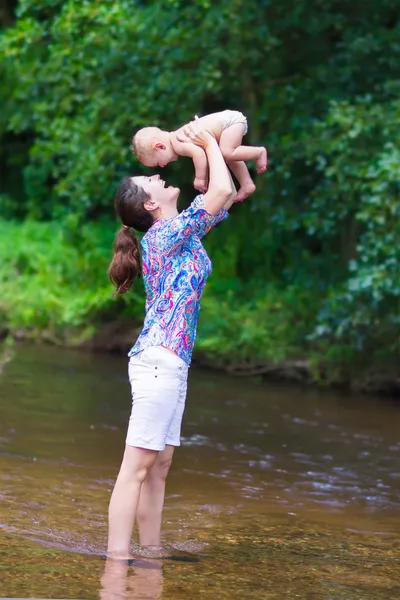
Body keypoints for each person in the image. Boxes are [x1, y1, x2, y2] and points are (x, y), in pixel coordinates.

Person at [106, 117, 237, 559]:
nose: (160, 175)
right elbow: (215, 192)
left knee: (159, 467)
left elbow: (227, 195)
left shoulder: (183, 234)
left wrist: (214, 147)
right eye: (151, 179)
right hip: (158, 361)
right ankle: (116, 562)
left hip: (172, 363)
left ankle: (151, 555)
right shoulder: (163, 235)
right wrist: (205, 142)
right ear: (150, 205)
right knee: (137, 468)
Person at [131, 110, 267, 202]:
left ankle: (259, 152)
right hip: (229, 121)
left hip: (230, 122)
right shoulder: (178, 139)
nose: (161, 166)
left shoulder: (177, 142)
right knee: (226, 156)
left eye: (157, 163)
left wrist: (199, 179)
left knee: (227, 152)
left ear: (160, 146)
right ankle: (247, 183)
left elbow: (199, 154)